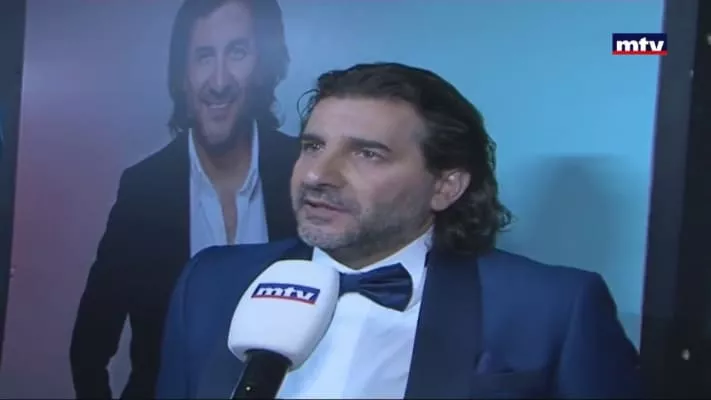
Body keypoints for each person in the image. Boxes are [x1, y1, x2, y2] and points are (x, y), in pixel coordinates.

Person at [155, 62, 642, 399]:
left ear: (445, 186)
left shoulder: (552, 308)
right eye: (313, 146)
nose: (317, 175)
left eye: (367, 153)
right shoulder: (211, 283)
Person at [69, 1, 298, 398]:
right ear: (181, 76)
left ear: (264, 67)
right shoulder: (143, 190)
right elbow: (89, 348)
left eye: (237, 53)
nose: (219, 81)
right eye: (204, 56)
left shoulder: (305, 171)